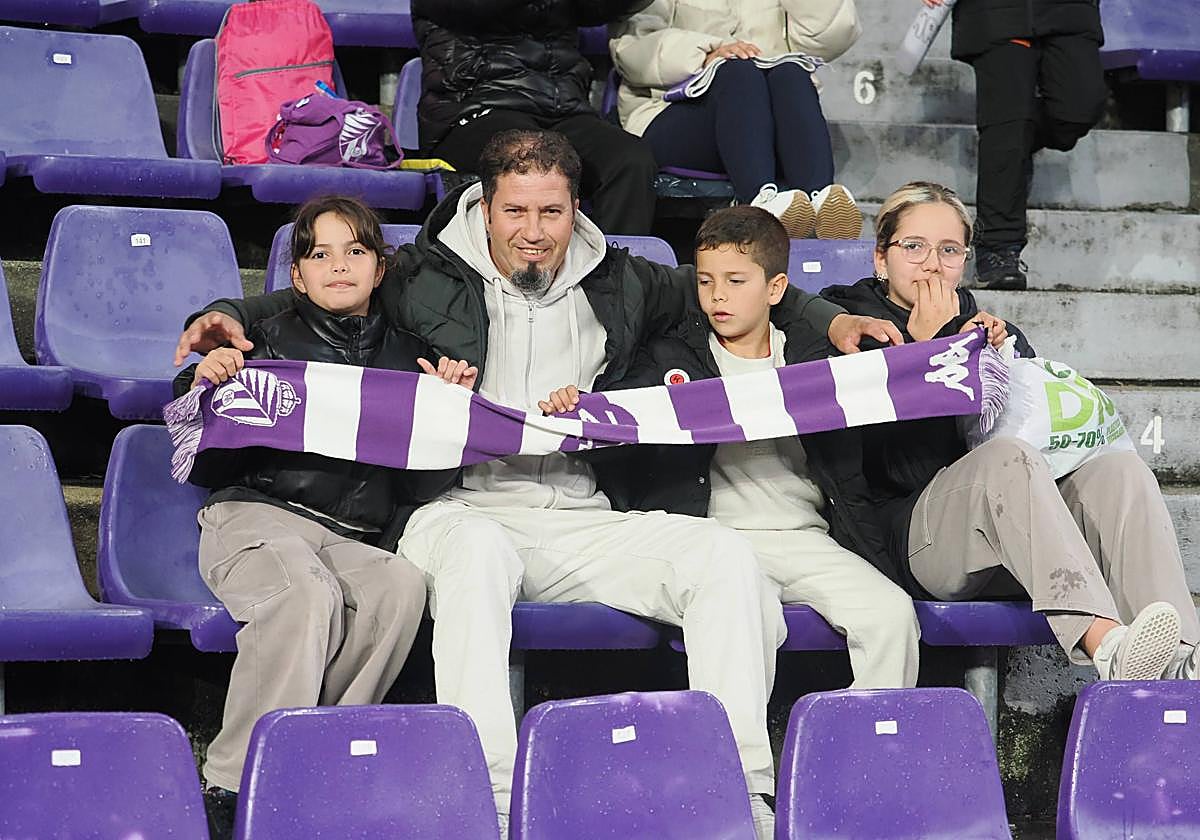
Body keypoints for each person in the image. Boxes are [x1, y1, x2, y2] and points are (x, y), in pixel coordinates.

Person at [171, 130, 904, 840]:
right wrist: (228, 313)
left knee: (724, 558)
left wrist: (831, 320)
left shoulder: (623, 280)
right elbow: (317, 299)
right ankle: (489, 800)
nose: (533, 230)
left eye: (551, 211)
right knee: (478, 553)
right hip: (462, 507)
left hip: (582, 516)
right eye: (515, 211)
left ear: (575, 210)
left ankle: (733, 792)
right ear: (486, 208)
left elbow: (726, 288)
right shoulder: (423, 273)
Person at [173, 196, 473, 836]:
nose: (340, 266)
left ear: (379, 267)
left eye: (356, 251)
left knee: (400, 586)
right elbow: (196, 450)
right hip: (256, 516)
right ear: (298, 275)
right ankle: (235, 782)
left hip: (348, 535)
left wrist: (447, 416)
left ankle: (315, 758)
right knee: (303, 592)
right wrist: (208, 379)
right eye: (320, 253)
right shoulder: (264, 339)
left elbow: (421, 485)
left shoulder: (408, 357)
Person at [818, 180, 1199, 683]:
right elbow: (891, 469)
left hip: (1017, 543)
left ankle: (1181, 661)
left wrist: (994, 356)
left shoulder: (990, 332)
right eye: (913, 247)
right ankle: (1106, 645)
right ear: (880, 259)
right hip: (909, 542)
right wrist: (924, 349)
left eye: (949, 250)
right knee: (1005, 459)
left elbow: (1042, 447)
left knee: (1119, 471)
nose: (932, 264)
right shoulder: (845, 330)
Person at [541, 206, 920, 688]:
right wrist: (579, 412)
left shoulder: (813, 358)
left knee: (891, 614)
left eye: (736, 281)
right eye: (705, 281)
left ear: (776, 289)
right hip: (717, 541)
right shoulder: (670, 357)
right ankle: (737, 759)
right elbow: (618, 424)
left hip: (805, 538)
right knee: (745, 618)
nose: (717, 296)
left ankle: (871, 755)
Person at [609, 0, 864, 239]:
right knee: (738, 70)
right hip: (674, 110)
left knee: (792, 72)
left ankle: (819, 200)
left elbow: (832, 34)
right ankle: (761, 201)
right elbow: (630, 47)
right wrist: (706, 54)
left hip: (765, 118)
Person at [412, 0, 659, 235]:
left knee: (630, 159)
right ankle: (526, 272)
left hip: (563, 108)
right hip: (474, 108)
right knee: (533, 155)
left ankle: (615, 276)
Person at [924, 0, 1107, 289]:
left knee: (1079, 108)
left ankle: (1014, 146)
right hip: (999, 11)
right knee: (1007, 126)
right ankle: (997, 250)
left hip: (1070, 10)